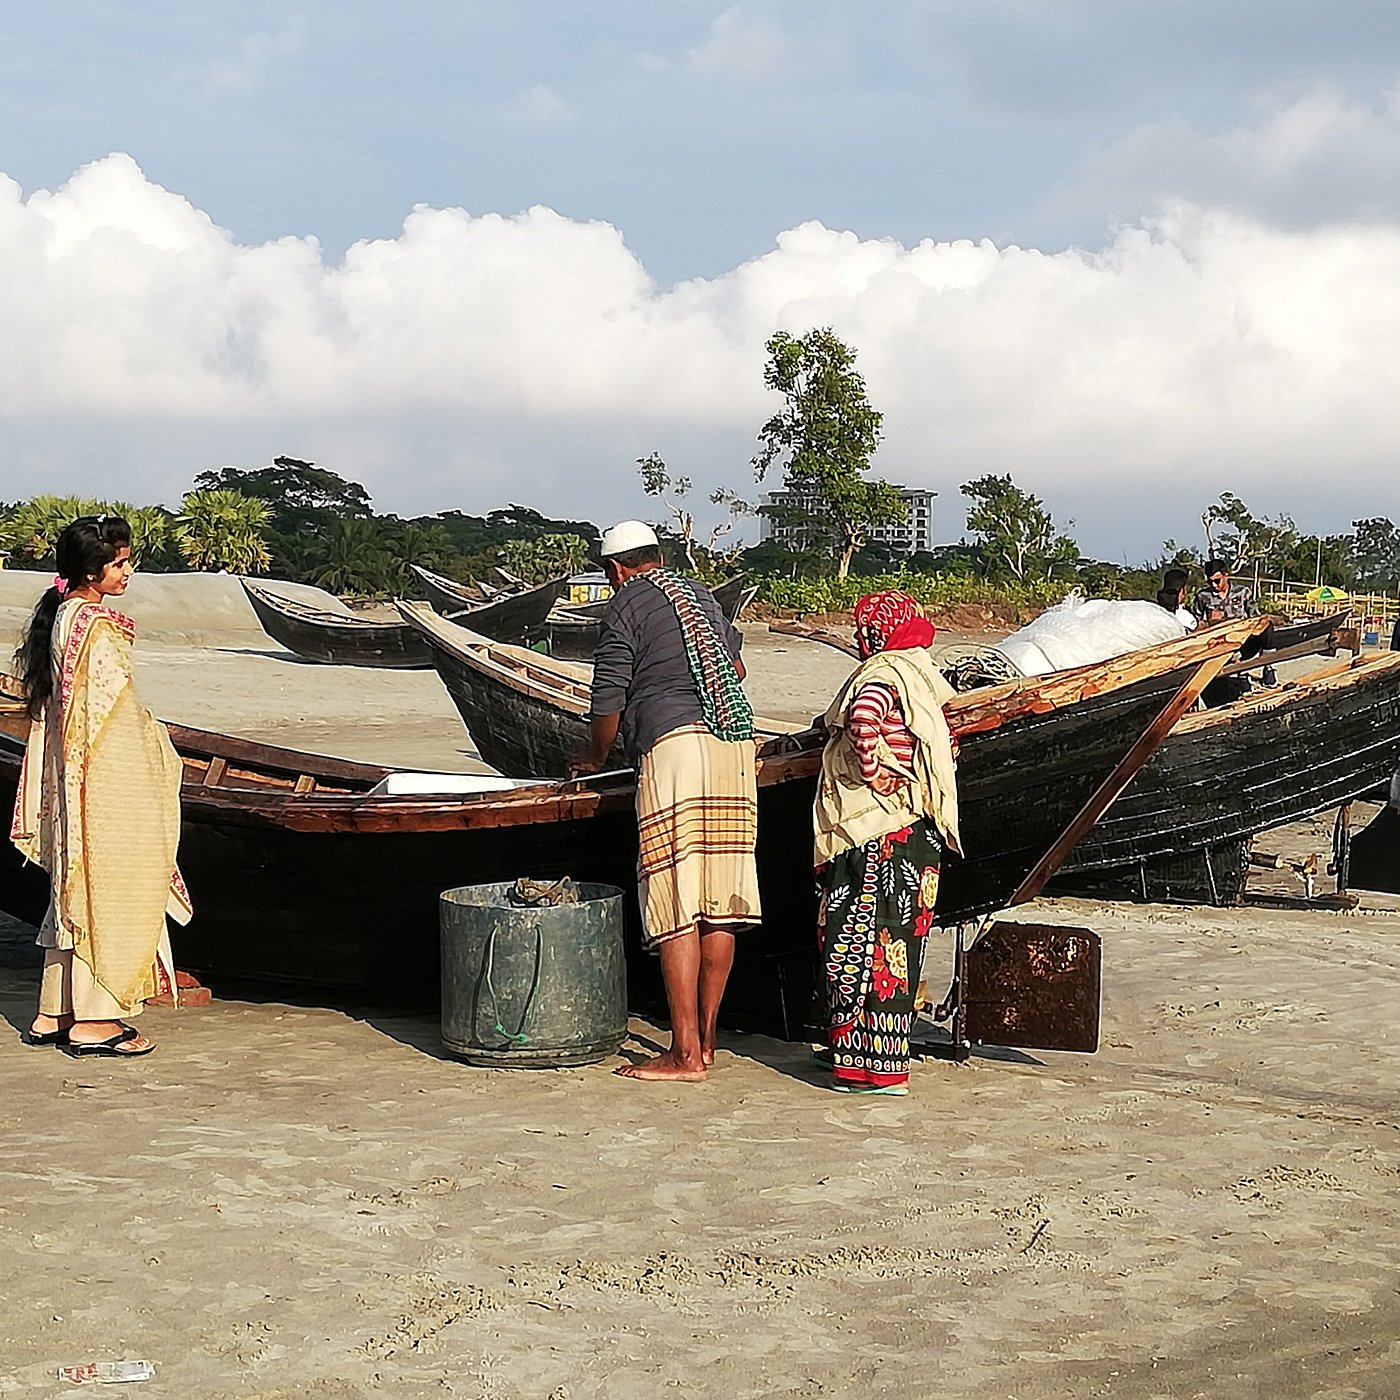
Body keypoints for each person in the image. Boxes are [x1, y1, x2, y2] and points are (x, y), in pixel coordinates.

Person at [568, 521, 760, 1082]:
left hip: (674, 749)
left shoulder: (625, 606)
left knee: (675, 895)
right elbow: (737, 668)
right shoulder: (696, 593)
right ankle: (707, 1042)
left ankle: (681, 1055)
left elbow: (609, 703)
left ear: (616, 570)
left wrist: (595, 758)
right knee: (721, 897)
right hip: (731, 745)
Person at [11, 515, 191, 1057]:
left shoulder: (63, 614)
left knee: (71, 889)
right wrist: (158, 755)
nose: (129, 570)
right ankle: (95, 1022)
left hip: (69, 776)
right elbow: (114, 714)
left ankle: (53, 1011)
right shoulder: (100, 625)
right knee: (107, 888)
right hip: (100, 780)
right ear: (93, 570)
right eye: (120, 562)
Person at [813, 591, 961, 1095]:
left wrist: (875, 773)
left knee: (853, 942)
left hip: (873, 829)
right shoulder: (920, 674)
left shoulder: (880, 674)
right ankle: (888, 1069)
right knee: (899, 945)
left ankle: (857, 1069)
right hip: (915, 830)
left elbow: (861, 720)